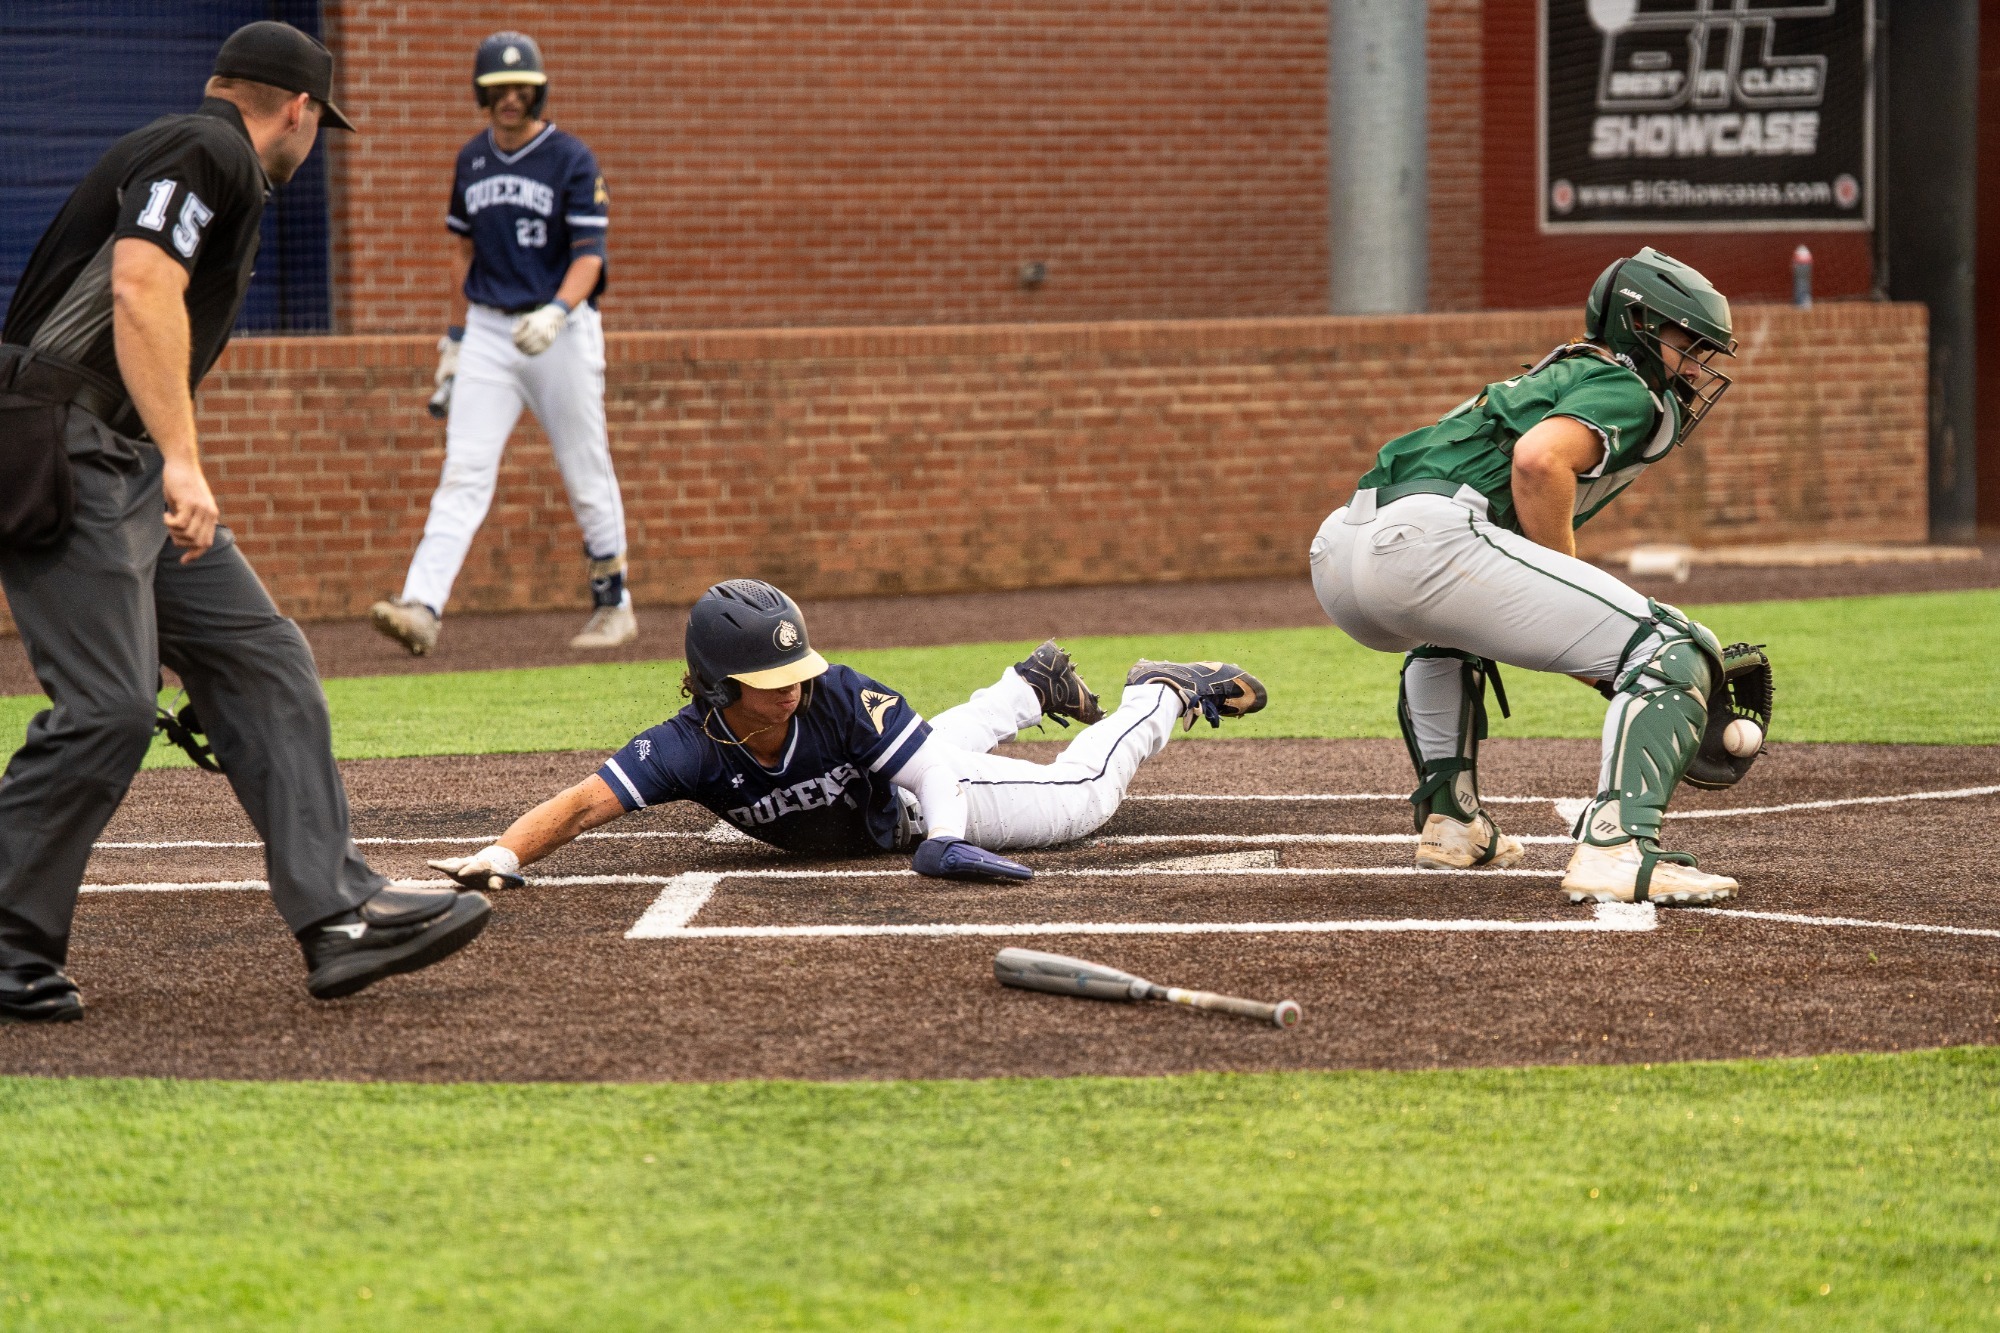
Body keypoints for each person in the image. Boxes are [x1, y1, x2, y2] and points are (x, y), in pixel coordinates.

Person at [0, 22, 492, 1023]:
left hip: (118, 457)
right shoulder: (209, 148)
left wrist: (162, 458)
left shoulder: (195, 151)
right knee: (108, 708)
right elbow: (143, 284)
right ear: (299, 110)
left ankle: (339, 910)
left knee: (262, 658)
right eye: (319, 123)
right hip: (69, 444)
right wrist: (185, 459)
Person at [1308, 247, 1749, 906]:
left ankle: (1452, 822)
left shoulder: (1552, 372)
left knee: (1446, 636)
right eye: (1686, 342)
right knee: (1673, 648)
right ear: (1639, 326)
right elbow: (1540, 462)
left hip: (1340, 551)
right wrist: (1585, 627)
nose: (1694, 364)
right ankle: (1617, 848)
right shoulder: (1630, 384)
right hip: (1428, 542)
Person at [428, 579, 1268, 891]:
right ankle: (1030, 685)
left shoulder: (832, 692)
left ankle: (1158, 693)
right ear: (719, 690)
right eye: (769, 682)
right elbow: (581, 805)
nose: (793, 689)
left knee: (1083, 798)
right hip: (881, 789)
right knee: (901, 750)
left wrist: (945, 841)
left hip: (913, 807)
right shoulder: (686, 745)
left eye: (797, 671)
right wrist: (501, 855)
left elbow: (932, 766)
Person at [370, 31, 634, 656]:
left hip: (559, 329)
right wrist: (457, 335)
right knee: (463, 470)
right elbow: (463, 252)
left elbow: (590, 256)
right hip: (491, 326)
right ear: (481, 95)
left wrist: (558, 310)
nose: (509, 97)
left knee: (584, 467)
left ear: (538, 90)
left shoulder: (571, 158)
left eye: (520, 87)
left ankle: (613, 602)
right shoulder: (473, 159)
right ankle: (422, 606)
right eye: (496, 88)